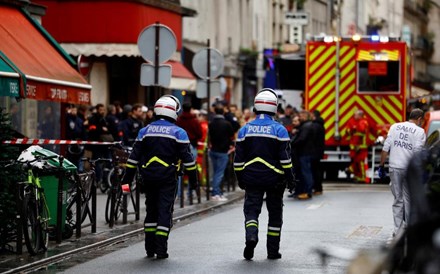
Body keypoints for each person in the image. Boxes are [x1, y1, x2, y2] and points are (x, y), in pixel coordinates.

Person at [121, 95, 198, 259]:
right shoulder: (179, 132)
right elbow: (188, 161)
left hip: (147, 178)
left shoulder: (145, 131)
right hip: (168, 179)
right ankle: (161, 249)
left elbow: (133, 158)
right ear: (173, 112)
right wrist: (194, 181)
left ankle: (149, 248)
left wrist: (126, 179)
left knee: (151, 211)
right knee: (164, 211)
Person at [234, 88, 295, 260]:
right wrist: (290, 179)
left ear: (256, 107)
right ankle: (272, 251)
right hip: (275, 180)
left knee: (251, 212)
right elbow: (286, 160)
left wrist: (240, 178)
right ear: (274, 108)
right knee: (275, 215)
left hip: (252, 178)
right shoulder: (280, 130)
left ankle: (251, 236)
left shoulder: (244, 130)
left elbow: (238, 161)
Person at [378, 108, 426, 239]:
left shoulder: (395, 127)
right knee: (409, 199)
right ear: (420, 119)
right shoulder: (420, 132)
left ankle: (397, 230)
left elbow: (385, 148)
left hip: (394, 167)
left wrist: (381, 165)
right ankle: (409, 229)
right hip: (408, 169)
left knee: (397, 199)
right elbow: (418, 153)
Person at [208, 103, 234, 201]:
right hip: (223, 151)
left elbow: (209, 135)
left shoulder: (211, 123)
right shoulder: (227, 124)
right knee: (219, 173)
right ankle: (216, 193)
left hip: (213, 150)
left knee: (216, 172)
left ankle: (217, 191)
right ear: (223, 112)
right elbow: (231, 136)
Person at [291, 110, 316, 200]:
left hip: (305, 153)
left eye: (301, 116)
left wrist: (292, 144)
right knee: (305, 172)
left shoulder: (306, 126)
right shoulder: (307, 125)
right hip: (306, 152)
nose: (300, 117)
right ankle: (306, 191)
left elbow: (302, 139)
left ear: (305, 116)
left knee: (306, 173)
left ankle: (308, 192)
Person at [346, 109, 370, 183]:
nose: (354, 116)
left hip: (360, 147)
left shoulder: (363, 122)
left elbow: (361, 132)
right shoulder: (355, 121)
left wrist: (354, 129)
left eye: (356, 115)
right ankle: (357, 175)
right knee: (356, 162)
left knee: (361, 163)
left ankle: (362, 178)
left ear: (360, 115)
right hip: (356, 146)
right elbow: (348, 131)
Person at [311, 110, 325, 195]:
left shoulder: (315, 126)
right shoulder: (320, 125)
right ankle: (318, 188)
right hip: (318, 151)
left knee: (315, 171)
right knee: (317, 170)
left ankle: (317, 188)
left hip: (314, 151)